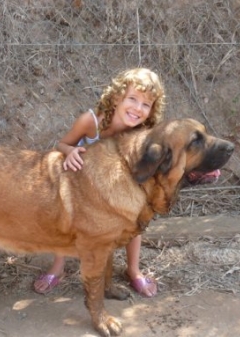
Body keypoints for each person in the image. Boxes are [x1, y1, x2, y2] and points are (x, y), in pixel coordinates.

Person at [34, 67, 219, 297]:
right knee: (66, 216)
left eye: (146, 104)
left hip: (119, 184)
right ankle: (58, 267)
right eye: (132, 99)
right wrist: (70, 151)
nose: (137, 109)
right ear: (117, 97)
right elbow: (61, 145)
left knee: (136, 214)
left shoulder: (143, 132)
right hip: (83, 183)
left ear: (152, 110)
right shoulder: (91, 121)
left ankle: (133, 270)